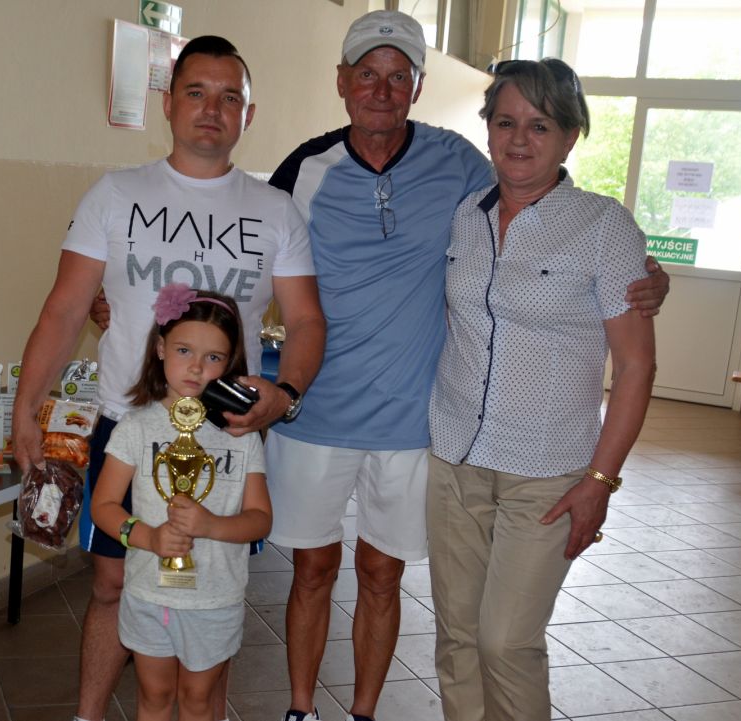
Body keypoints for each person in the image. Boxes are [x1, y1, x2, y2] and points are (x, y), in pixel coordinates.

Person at [263, 12, 668, 721]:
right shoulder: (343, 178)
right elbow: (244, 252)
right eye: (367, 74)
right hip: (401, 435)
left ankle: (365, 711)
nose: (519, 139)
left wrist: (648, 277)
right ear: (342, 81)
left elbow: (627, 349)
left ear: (418, 87)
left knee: (476, 625)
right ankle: (303, 709)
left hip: (474, 442)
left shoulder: (494, 183)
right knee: (406, 611)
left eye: (398, 76)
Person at [11, 35, 324, 721]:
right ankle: (89, 715)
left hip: (226, 434)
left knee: (215, 590)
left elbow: (305, 320)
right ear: (168, 103)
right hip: (127, 425)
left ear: (248, 114)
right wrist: (26, 404)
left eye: (230, 97)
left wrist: (286, 392)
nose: (212, 109)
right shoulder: (116, 194)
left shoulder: (275, 211)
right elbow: (65, 308)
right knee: (112, 583)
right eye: (196, 92)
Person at [426, 58, 656, 721]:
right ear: (488, 129)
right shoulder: (465, 216)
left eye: (540, 125)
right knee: (458, 636)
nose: (519, 139)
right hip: (455, 458)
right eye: (505, 122)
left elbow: (636, 367)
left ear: (570, 137)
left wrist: (600, 482)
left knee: (506, 641)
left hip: (548, 472)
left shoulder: (604, 226)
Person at [91, 285, 272, 721]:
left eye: (213, 357)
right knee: (153, 697)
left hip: (215, 598)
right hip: (148, 593)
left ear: (229, 364)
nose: (195, 367)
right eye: (184, 350)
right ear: (160, 349)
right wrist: (148, 537)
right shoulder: (135, 427)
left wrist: (211, 526)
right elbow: (104, 507)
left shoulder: (242, 437)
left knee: (198, 701)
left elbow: (260, 519)